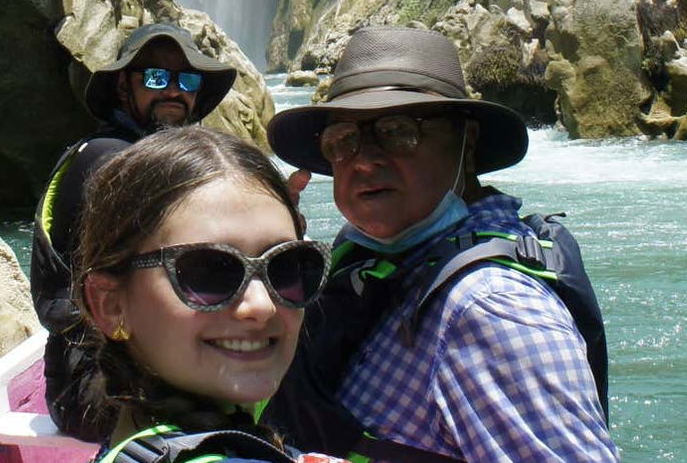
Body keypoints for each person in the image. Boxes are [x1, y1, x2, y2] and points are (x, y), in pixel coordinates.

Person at [264, 26, 617, 462]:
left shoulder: (490, 310)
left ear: (465, 144)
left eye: (398, 131)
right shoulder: (375, 264)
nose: (365, 159)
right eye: (343, 141)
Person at [73, 125, 335, 463]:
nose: (262, 305)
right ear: (110, 305)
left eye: (286, 266)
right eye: (209, 273)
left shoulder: (136, 447)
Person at [31, 23, 236, 440]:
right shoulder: (113, 159)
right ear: (125, 88)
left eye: (187, 80)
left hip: (131, 361)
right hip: (92, 382)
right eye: (157, 78)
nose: (174, 92)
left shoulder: (132, 156)